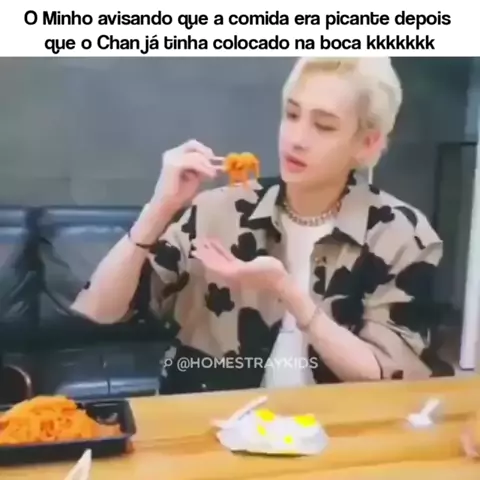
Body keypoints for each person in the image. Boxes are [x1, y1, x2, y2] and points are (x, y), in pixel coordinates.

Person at [72, 57, 447, 395]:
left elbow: (386, 377)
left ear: (366, 144)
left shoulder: (400, 234)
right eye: (292, 114)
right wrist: (159, 208)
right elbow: (99, 311)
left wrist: (289, 293)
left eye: (324, 126)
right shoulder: (219, 212)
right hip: (208, 427)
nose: (297, 139)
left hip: (334, 434)